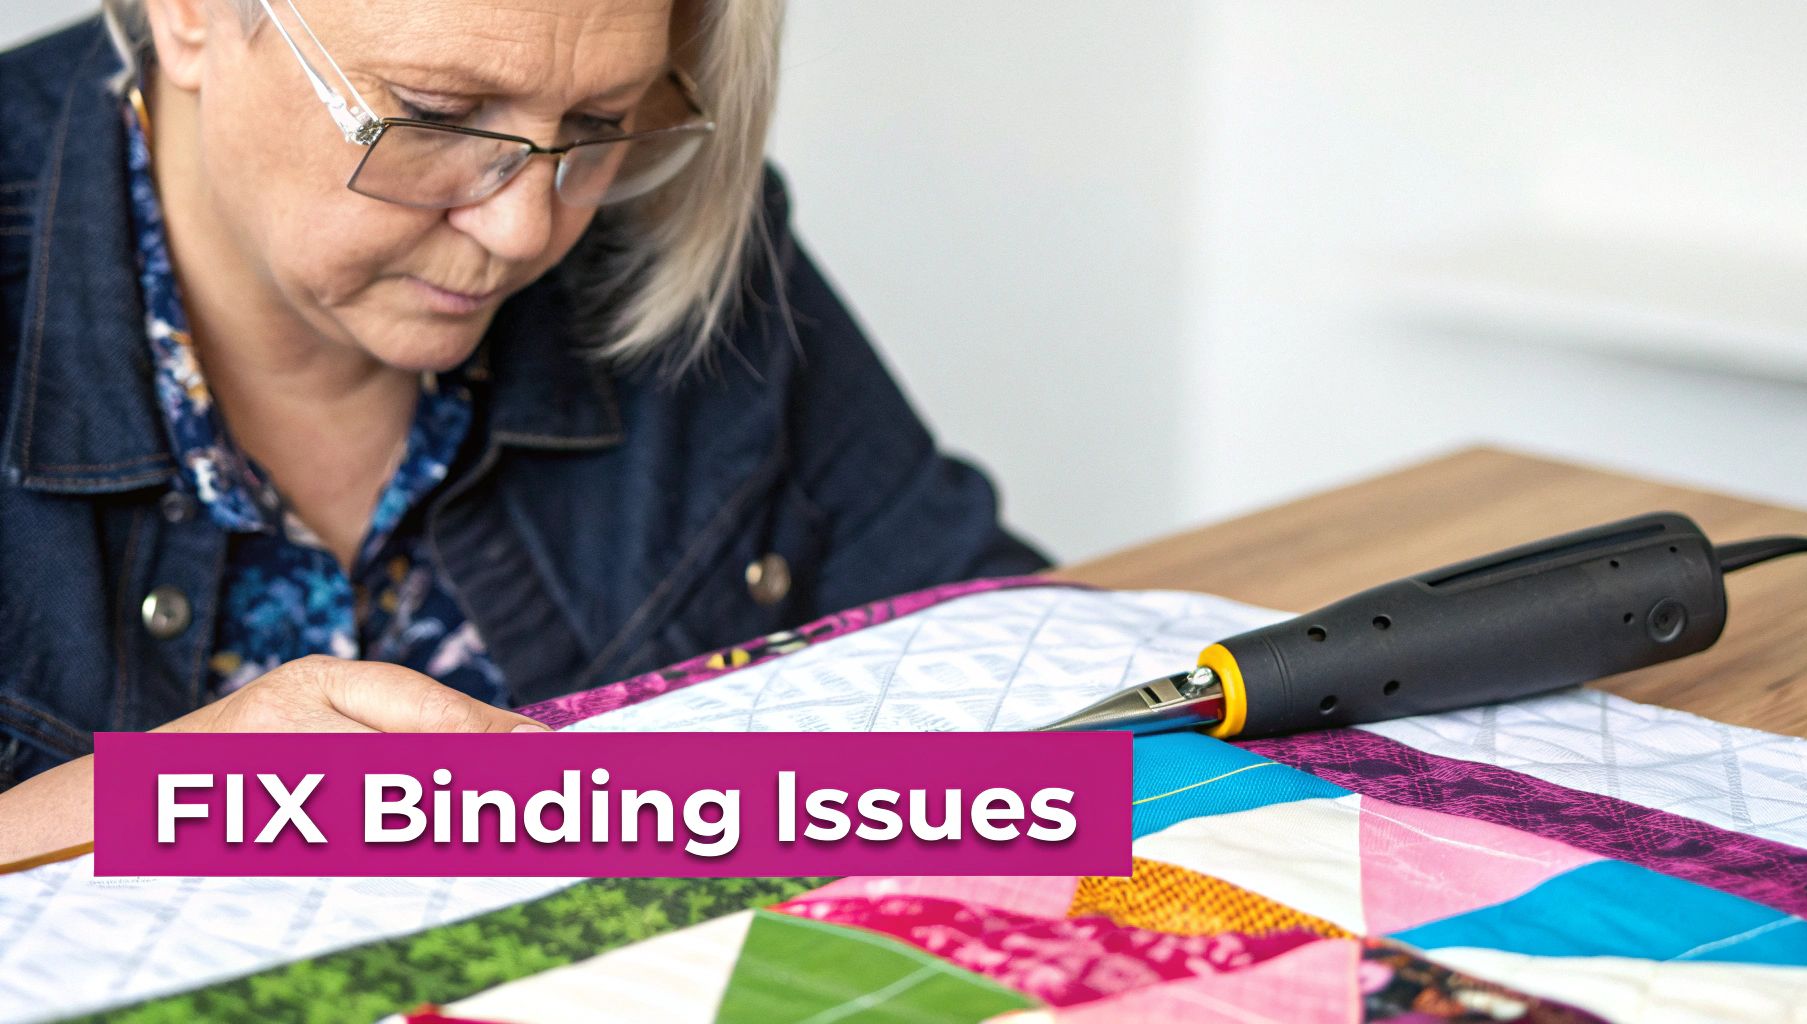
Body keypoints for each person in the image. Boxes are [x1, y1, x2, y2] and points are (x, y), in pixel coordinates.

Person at [0, 0, 1045, 860]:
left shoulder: (653, 223)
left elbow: (1010, 652)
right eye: (439, 116)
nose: (524, 228)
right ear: (190, 15)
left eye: (597, 125)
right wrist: (152, 803)